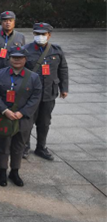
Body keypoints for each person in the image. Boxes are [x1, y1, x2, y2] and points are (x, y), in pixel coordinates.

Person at [0, 46, 42, 187]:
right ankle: (2, 171)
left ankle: (15, 171)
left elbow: (36, 97)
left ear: (25, 59)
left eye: (20, 58)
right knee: (3, 145)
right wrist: (4, 110)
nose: (17, 60)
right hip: (4, 117)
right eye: (14, 57)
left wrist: (22, 112)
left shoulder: (33, 77)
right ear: (9, 58)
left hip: (23, 119)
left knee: (19, 146)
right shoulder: (0, 74)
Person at [23, 22, 69, 160]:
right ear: (33, 34)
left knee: (44, 122)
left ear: (49, 35)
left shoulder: (56, 50)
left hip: (49, 92)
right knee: (28, 121)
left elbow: (63, 69)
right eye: (37, 34)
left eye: (43, 34)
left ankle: (41, 147)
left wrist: (64, 88)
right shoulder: (26, 50)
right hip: (30, 94)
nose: (40, 36)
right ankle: (24, 146)